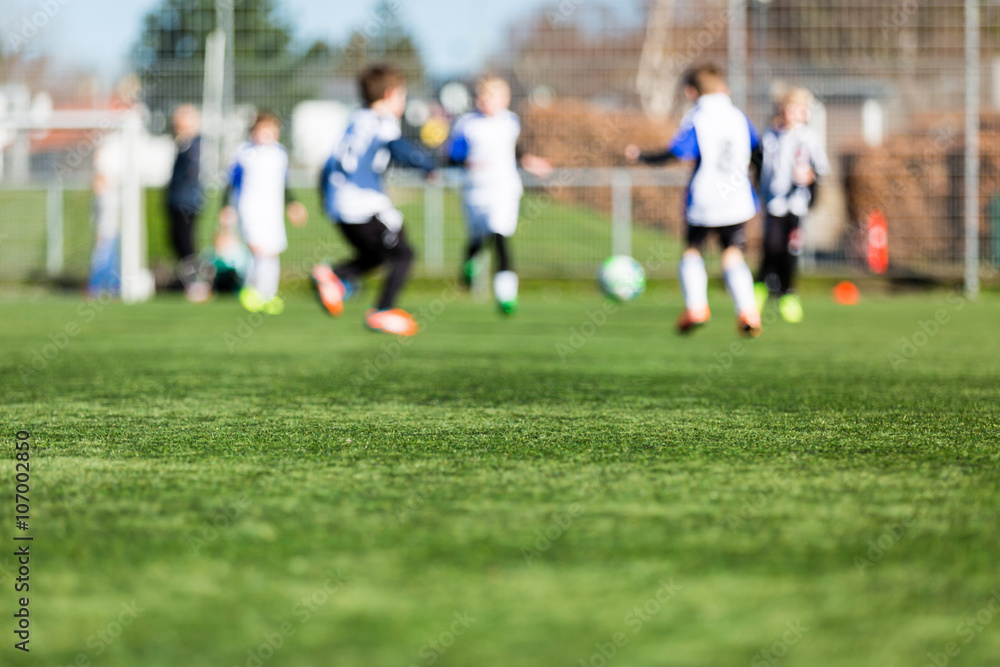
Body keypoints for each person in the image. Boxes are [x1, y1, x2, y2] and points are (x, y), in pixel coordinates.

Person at [626, 63, 763, 337]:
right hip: (736, 199)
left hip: (705, 198)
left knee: (693, 250)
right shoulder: (738, 116)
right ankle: (748, 311)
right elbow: (758, 152)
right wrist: (755, 183)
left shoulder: (698, 117)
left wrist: (642, 156)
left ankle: (697, 307)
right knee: (733, 254)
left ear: (691, 92)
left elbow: (678, 152)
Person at [313, 64, 437, 336]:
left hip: (341, 206)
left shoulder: (356, 119)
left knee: (378, 255)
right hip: (363, 206)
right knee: (404, 254)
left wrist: (326, 200)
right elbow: (395, 146)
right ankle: (382, 311)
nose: (404, 102)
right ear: (391, 94)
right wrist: (426, 164)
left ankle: (338, 278)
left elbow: (328, 165)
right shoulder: (382, 120)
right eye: (403, 96)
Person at [445, 76, 551, 315]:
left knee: (499, 235)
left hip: (503, 189)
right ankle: (469, 263)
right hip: (474, 190)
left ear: (505, 99)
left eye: (491, 96)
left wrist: (531, 162)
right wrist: (465, 161)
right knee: (478, 237)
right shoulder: (466, 124)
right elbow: (453, 156)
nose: (486, 101)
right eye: (482, 96)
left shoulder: (510, 122)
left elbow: (517, 152)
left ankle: (506, 294)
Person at [219, 111, 308, 315]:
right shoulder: (243, 153)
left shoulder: (280, 154)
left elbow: (284, 184)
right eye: (262, 129)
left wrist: (292, 204)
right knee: (258, 250)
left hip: (272, 210)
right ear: (254, 131)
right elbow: (231, 183)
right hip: (250, 208)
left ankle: (268, 294)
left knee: (273, 250)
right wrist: (226, 207)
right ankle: (252, 290)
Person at [754, 87, 830, 323]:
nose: (792, 115)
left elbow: (820, 170)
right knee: (770, 246)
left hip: (796, 206)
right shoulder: (769, 136)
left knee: (791, 250)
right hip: (773, 204)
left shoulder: (809, 138)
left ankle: (788, 293)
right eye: (787, 110)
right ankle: (761, 287)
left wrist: (810, 177)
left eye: (798, 111)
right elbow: (757, 165)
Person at [166, 105, 203, 295]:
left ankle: (196, 283)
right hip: (176, 201)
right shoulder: (182, 145)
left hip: (187, 202)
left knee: (186, 242)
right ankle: (188, 281)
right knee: (177, 241)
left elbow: (193, 170)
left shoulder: (194, 145)